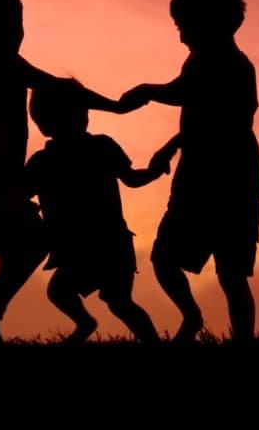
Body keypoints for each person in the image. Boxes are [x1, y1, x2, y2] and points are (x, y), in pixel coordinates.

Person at [0, 0, 131, 343]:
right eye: (17, 23)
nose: (21, 31)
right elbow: (57, 87)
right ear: (3, 28)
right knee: (30, 247)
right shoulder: (3, 63)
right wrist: (115, 106)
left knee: (20, 252)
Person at [121, 0, 259, 344]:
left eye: (185, 26)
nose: (182, 35)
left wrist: (149, 91)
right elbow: (197, 117)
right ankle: (192, 315)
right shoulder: (199, 62)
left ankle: (244, 340)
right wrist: (169, 148)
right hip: (196, 177)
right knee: (164, 258)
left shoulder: (233, 67)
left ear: (212, 23)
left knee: (232, 273)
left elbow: (191, 99)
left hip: (232, 182)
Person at [25, 82, 163, 343]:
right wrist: (154, 171)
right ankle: (88, 324)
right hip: (82, 245)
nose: (84, 118)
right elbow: (133, 179)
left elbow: (131, 179)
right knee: (67, 293)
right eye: (80, 112)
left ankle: (148, 341)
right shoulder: (44, 161)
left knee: (117, 302)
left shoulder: (95, 148)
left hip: (109, 242)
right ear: (45, 123)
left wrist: (155, 169)